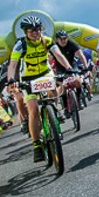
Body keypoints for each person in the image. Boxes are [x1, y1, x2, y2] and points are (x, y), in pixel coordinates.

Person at [6, 17, 74, 163]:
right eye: (32, 31)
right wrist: (11, 80)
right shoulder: (20, 44)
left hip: (44, 73)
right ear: (26, 32)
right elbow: (12, 64)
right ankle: (36, 144)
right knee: (33, 110)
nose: (36, 33)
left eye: (38, 29)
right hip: (28, 78)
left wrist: (69, 68)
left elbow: (59, 55)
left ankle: (55, 109)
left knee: (53, 90)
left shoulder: (47, 40)